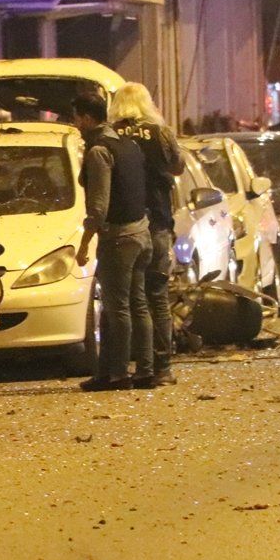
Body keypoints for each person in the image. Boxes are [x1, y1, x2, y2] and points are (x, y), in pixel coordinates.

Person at [73, 92, 153, 392]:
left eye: (77, 117)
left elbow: (98, 207)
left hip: (119, 238)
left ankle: (118, 374)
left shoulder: (99, 152)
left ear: (88, 118)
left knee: (116, 307)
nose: (75, 124)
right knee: (138, 303)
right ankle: (144, 371)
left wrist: (84, 245)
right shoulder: (128, 145)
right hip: (142, 233)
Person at [110, 82, 183, 387]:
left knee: (128, 297)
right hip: (158, 220)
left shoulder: (112, 135)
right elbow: (178, 167)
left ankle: (134, 364)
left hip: (126, 222)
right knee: (157, 294)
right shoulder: (160, 132)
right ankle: (162, 366)